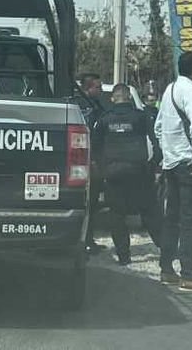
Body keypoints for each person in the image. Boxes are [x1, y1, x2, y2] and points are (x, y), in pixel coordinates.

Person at [153, 51, 192, 292]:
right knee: (191, 219)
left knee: (172, 217)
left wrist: (167, 152)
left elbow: (158, 127)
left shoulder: (169, 90)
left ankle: (166, 269)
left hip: (171, 163)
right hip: (188, 163)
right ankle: (189, 274)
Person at [93, 83, 162, 265]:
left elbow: (95, 147)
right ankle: (165, 248)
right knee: (149, 210)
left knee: (116, 215)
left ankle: (124, 256)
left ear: (113, 99)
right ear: (129, 98)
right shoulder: (141, 117)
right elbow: (156, 141)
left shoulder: (104, 119)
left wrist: (102, 169)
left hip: (114, 173)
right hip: (139, 171)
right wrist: (153, 164)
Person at [74, 73, 107, 254]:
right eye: (97, 87)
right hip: (86, 163)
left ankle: (89, 239)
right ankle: (84, 241)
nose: (100, 91)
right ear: (88, 88)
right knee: (87, 204)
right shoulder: (84, 108)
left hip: (95, 162)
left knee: (93, 205)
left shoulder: (95, 106)